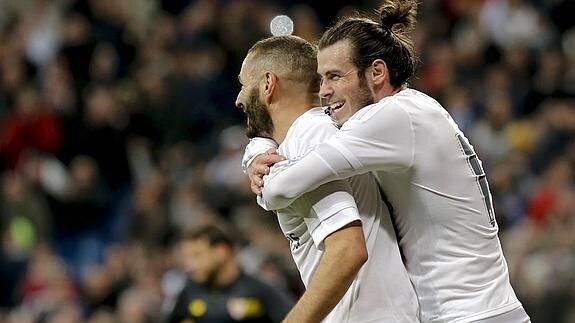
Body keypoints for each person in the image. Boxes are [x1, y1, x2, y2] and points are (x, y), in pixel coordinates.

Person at [244, 1, 531, 322]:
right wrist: (261, 144)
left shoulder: (392, 118)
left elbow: (283, 186)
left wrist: (264, 173)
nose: (323, 92)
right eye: (321, 79)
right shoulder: (408, 111)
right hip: (481, 310)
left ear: (377, 72)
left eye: (335, 76)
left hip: (469, 314)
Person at [237, 35, 419, 322]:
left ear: (268, 83)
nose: (239, 98)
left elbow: (348, 249)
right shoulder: (311, 134)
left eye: (244, 85)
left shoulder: (311, 135)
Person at [166, 224, 294, 323]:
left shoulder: (260, 290)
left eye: (197, 255)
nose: (190, 265)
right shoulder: (189, 292)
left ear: (222, 251)